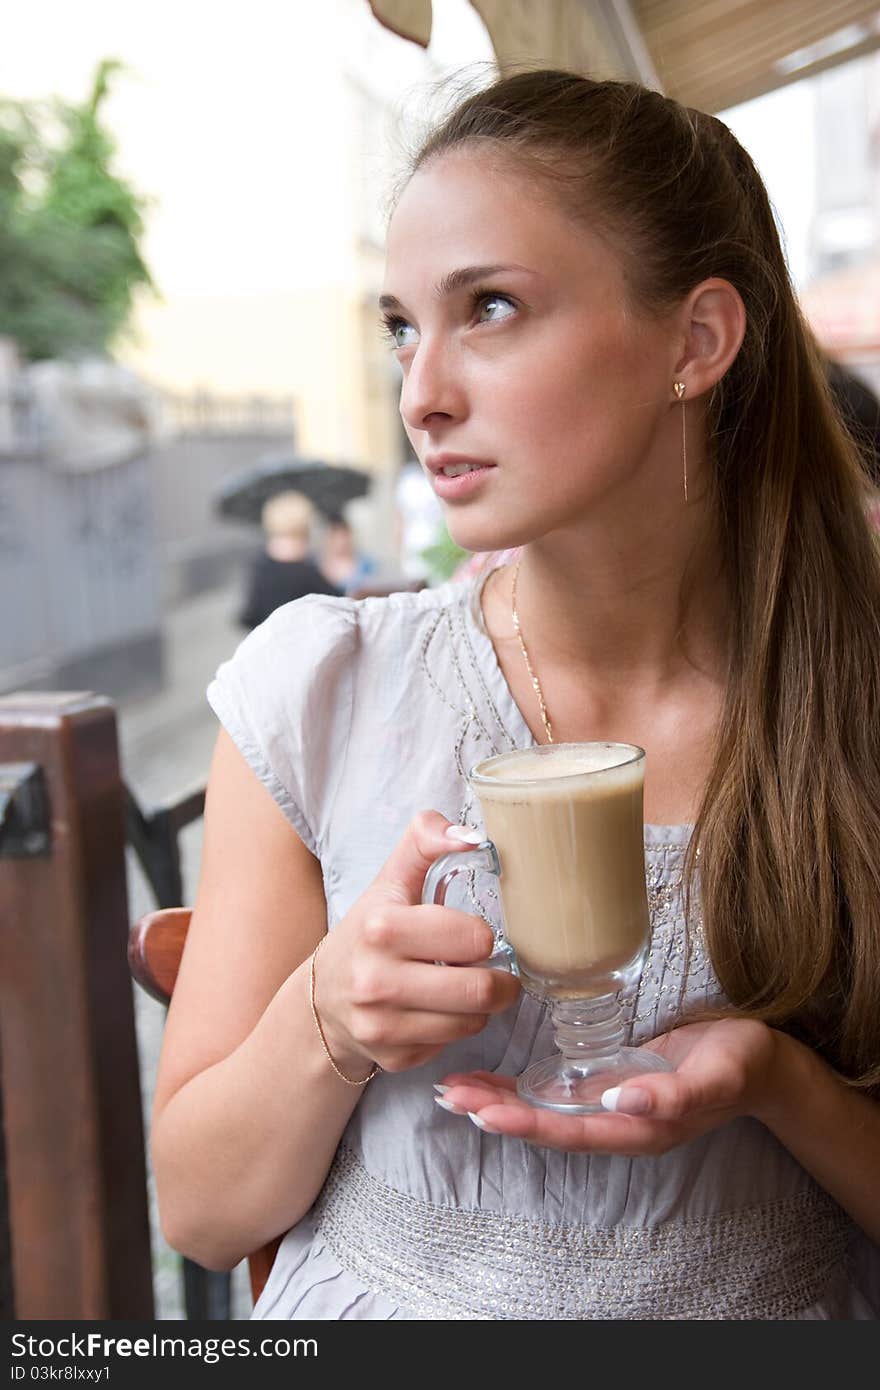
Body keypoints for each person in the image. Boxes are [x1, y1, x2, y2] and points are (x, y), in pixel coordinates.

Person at [152, 70, 880, 1320]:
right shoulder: (322, 689)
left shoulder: (846, 702)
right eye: (399, 326)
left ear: (695, 342)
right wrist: (328, 1013)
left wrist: (777, 1081)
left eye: (488, 307)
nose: (420, 391)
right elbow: (204, 1215)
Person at [237, 489, 341, 630]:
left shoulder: (260, 564)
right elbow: (338, 605)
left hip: (269, 645)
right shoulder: (306, 570)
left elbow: (249, 615)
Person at [318, 513, 378, 596]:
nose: (341, 542)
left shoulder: (367, 564)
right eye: (336, 537)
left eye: (344, 536)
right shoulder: (317, 566)